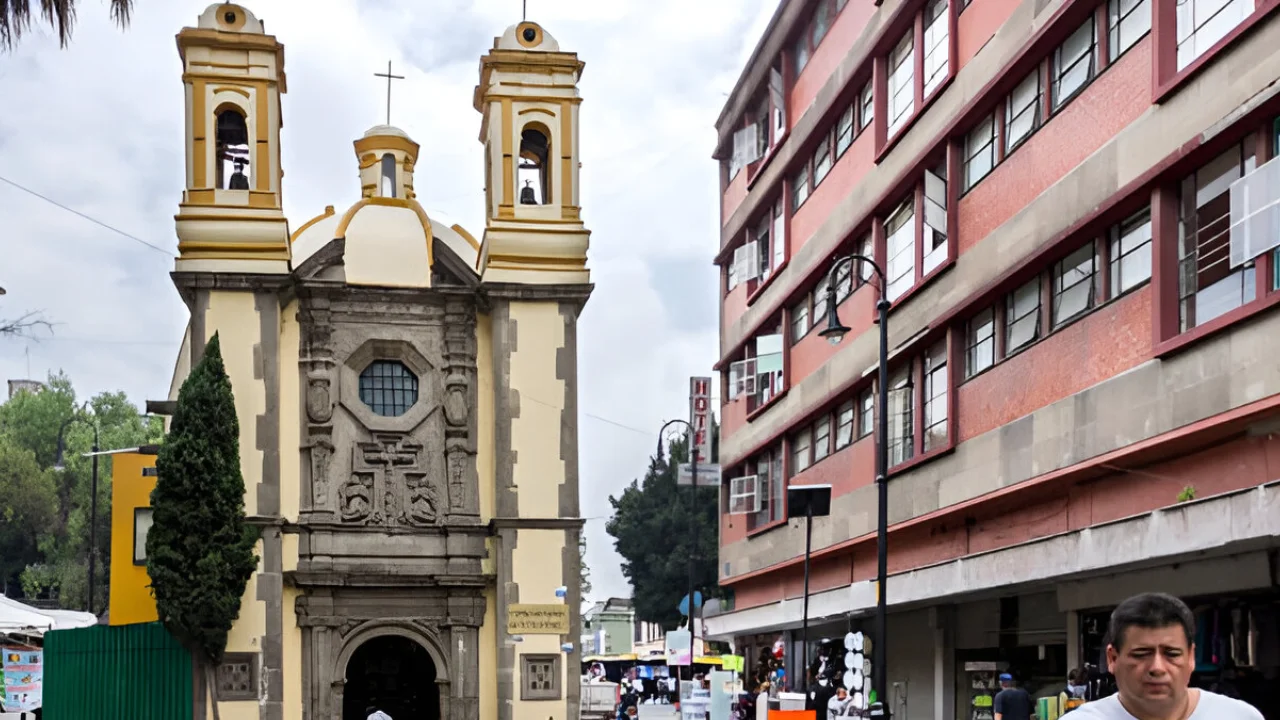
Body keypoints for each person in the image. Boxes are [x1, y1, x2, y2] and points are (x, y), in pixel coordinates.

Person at [1068, 592, 1264, 719]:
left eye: (1171, 654)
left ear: (1191, 657)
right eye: (1141, 654)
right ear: (1112, 658)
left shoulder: (1238, 716)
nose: (1157, 668)